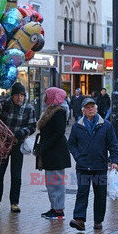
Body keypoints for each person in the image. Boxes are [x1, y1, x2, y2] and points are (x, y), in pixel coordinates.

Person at [68, 97, 118, 231]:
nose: (90, 109)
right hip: (83, 166)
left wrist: (114, 161)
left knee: (100, 195)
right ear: (83, 111)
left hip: (100, 166)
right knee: (82, 192)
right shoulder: (77, 126)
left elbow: (113, 145)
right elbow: (71, 144)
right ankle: (79, 220)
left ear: (96, 109)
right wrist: (78, 157)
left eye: (92, 107)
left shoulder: (106, 125)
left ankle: (98, 221)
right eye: (88, 107)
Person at [0, 82, 36, 213]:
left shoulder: (28, 108)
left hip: (17, 144)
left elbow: (33, 126)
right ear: (12, 95)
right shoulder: (3, 104)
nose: (19, 98)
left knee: (16, 175)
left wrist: (22, 133)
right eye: (17, 95)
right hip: (3, 144)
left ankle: (14, 203)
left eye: (22, 95)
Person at [35, 87, 71, 220]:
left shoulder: (59, 111)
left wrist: (45, 145)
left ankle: (58, 210)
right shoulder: (51, 110)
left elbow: (59, 132)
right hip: (51, 152)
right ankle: (54, 208)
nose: (45, 97)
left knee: (56, 182)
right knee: (51, 183)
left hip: (56, 153)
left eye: (47, 94)